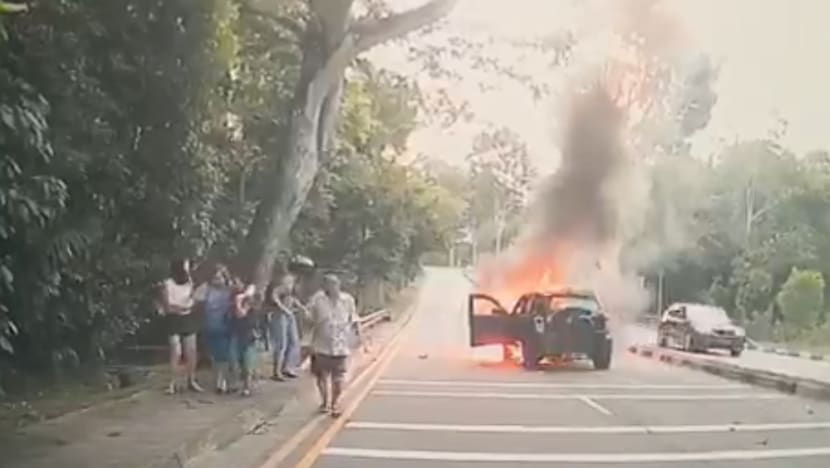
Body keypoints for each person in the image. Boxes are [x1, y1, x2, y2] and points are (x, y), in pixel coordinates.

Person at [307, 273, 361, 417]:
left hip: (341, 344)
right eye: (328, 284)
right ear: (324, 286)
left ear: (339, 285)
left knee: (338, 378)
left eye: (334, 284)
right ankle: (325, 402)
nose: (332, 287)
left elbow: (354, 318)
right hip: (321, 344)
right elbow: (309, 320)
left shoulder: (347, 300)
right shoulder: (317, 300)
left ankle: (335, 403)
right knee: (321, 376)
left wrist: (359, 336)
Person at [159, 258, 203, 395]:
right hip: (174, 319)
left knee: (191, 351)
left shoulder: (189, 283)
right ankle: (172, 383)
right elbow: (167, 306)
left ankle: (191, 380)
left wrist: (189, 305)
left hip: (187, 318)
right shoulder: (167, 284)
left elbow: (193, 300)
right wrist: (181, 308)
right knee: (176, 352)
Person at [193, 264, 233, 394]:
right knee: (216, 356)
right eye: (215, 278)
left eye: (220, 277)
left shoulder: (230, 290)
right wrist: (204, 286)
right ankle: (218, 380)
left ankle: (223, 381)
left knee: (225, 356)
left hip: (226, 325)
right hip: (211, 325)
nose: (217, 280)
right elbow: (195, 297)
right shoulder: (207, 289)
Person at [267, 274, 304, 381]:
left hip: (289, 315)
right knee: (281, 343)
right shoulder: (281, 286)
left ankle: (287, 367)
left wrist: (302, 307)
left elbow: (292, 299)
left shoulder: (293, 285)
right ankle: (276, 371)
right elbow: (275, 297)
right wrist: (284, 309)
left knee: (294, 341)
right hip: (279, 315)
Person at [229, 278, 258, 397]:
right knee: (235, 360)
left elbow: (241, 314)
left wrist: (239, 300)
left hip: (247, 334)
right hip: (235, 333)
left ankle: (247, 386)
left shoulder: (248, 300)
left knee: (247, 362)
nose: (234, 285)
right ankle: (237, 384)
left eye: (236, 282)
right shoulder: (232, 298)